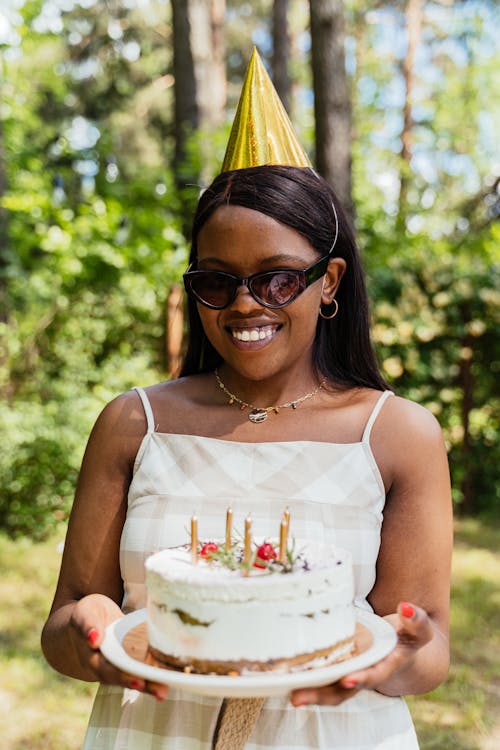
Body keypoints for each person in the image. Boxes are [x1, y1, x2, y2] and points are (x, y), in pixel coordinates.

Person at [41, 50, 452, 750]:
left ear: (330, 282)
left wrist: (400, 655)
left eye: (277, 280)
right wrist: (88, 637)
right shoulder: (132, 423)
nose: (244, 304)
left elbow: (430, 643)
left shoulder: (398, 434)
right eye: (216, 281)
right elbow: (65, 623)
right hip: (151, 732)